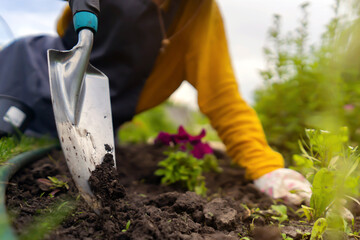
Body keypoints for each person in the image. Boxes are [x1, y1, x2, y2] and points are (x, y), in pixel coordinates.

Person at [0, 0, 311, 204]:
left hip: (95, 117)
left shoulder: (198, 15)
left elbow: (223, 98)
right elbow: (64, 29)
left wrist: (266, 168)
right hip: (31, 73)